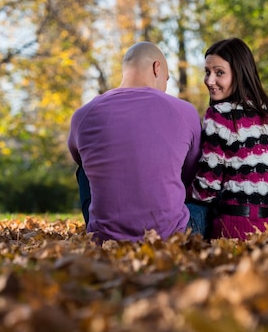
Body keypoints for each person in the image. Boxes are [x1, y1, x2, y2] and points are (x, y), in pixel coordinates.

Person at [67, 41, 203, 243]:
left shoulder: (83, 115)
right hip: (170, 237)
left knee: (84, 169)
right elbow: (192, 172)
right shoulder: (184, 111)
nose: (165, 88)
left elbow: (79, 158)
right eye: (166, 79)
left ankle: (106, 227)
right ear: (157, 68)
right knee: (204, 203)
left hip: (106, 240)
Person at [189, 37, 268, 240]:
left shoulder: (220, 115)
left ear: (239, 74)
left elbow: (207, 190)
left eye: (219, 72)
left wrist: (180, 191)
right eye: (207, 72)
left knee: (187, 210)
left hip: (242, 228)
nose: (209, 80)